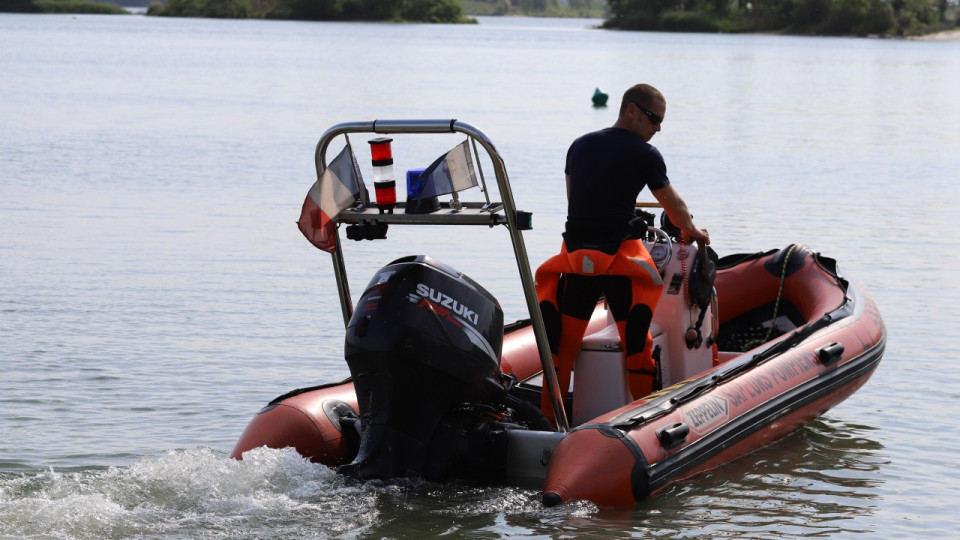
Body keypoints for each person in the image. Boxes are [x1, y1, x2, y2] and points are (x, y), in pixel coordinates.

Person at [536, 83, 710, 424]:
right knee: (636, 344)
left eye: (661, 121)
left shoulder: (579, 145)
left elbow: (576, 201)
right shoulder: (645, 154)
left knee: (562, 348)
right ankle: (644, 423)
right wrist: (693, 232)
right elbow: (674, 208)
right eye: (653, 118)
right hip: (620, 263)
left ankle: (550, 423)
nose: (657, 127)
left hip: (576, 258)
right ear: (630, 111)